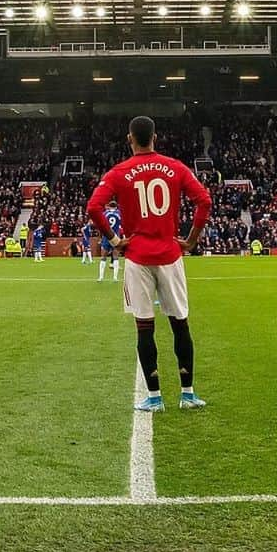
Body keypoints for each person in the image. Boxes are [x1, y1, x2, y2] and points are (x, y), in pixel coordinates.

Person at [87, 115, 211, 412]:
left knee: (144, 327)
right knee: (180, 324)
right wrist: (192, 239)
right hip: (170, 255)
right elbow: (204, 201)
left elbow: (94, 207)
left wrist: (116, 241)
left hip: (138, 258)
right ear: (155, 137)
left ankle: (154, 397)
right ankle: (188, 393)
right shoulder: (175, 167)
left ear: (130, 138)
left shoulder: (119, 172)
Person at [98, 207, 122, 282]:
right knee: (115, 257)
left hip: (106, 236)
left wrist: (100, 237)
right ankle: (115, 278)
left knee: (103, 257)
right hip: (115, 236)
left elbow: (101, 225)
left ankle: (101, 277)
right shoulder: (119, 213)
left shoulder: (105, 213)